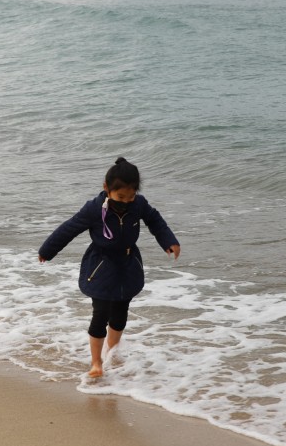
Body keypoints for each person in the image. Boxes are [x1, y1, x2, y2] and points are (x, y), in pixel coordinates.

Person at [38, 157, 180, 378]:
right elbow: (69, 228)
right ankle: (96, 363)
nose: (126, 201)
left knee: (120, 315)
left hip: (128, 265)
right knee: (100, 314)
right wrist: (47, 250)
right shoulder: (94, 209)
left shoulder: (138, 205)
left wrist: (169, 241)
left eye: (131, 196)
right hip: (101, 266)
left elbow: (155, 220)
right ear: (106, 188)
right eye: (121, 196)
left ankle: (111, 354)